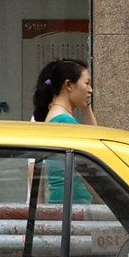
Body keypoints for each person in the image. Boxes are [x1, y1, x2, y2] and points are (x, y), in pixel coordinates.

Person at [31, 58, 96, 205]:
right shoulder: (65, 122)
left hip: (64, 205)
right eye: (86, 83)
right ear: (68, 85)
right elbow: (93, 164)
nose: (90, 90)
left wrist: (87, 107)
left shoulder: (56, 117)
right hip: (73, 208)